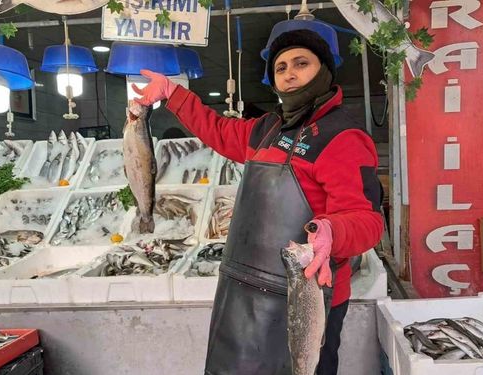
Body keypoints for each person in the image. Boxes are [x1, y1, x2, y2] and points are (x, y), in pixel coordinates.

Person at [133, 29, 383, 375]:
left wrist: (331, 231)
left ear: (324, 70)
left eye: (301, 64)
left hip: (306, 297)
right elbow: (217, 130)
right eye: (281, 68)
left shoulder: (342, 136)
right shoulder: (267, 128)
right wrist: (173, 94)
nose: (289, 74)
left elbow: (367, 220)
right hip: (242, 291)